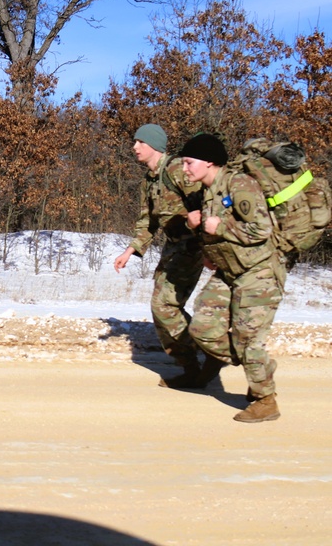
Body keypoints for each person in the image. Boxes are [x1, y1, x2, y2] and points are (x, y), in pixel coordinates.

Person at [180, 133, 285, 423]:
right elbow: (215, 232)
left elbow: (261, 230)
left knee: (248, 341)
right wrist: (200, 232)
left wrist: (220, 226)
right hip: (230, 273)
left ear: (209, 162)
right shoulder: (208, 191)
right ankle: (260, 367)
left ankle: (266, 400)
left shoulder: (240, 184)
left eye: (189, 162)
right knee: (202, 328)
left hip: (259, 273)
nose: (185, 168)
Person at [114, 124, 205, 387]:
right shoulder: (149, 180)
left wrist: (209, 244)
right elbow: (148, 221)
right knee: (161, 307)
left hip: (192, 246)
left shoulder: (177, 169)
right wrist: (130, 250)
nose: (134, 147)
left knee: (164, 306)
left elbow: (204, 202)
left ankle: (200, 356)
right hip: (173, 247)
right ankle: (196, 357)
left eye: (139, 142)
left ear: (153, 145)